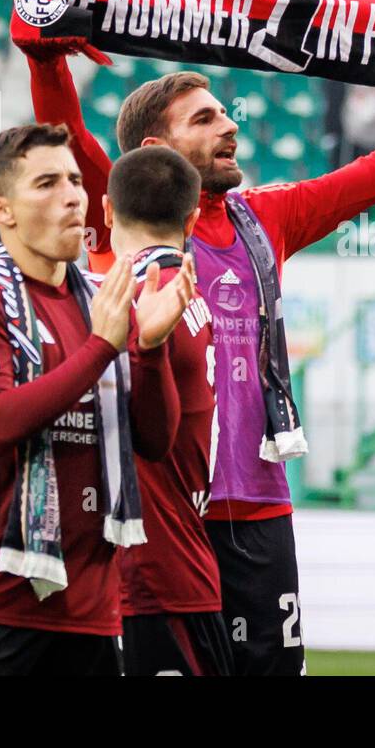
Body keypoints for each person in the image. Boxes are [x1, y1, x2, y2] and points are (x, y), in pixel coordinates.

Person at [12, 0, 375, 675]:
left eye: (225, 113)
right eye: (207, 118)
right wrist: (43, 46)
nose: (231, 127)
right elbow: (66, 129)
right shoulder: (122, 211)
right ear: (157, 148)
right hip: (162, 515)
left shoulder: (267, 217)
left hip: (259, 506)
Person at [0, 122, 191, 676]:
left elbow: (156, 443)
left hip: (92, 615)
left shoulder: (102, 297)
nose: (72, 195)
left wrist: (151, 350)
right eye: (46, 183)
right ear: (3, 210)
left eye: (74, 180)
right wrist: (100, 348)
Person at [104, 146, 233, 676]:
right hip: (182, 564)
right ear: (192, 219)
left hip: (145, 579)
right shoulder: (188, 289)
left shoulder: (128, 295)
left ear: (107, 213)